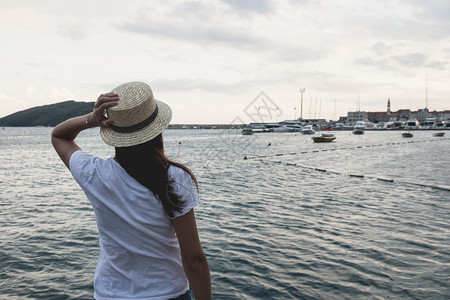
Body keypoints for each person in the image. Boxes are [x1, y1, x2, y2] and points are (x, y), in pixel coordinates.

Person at [51, 81, 211, 300]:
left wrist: (91, 119)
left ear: (114, 132)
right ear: (157, 129)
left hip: (111, 294)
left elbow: (59, 135)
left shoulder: (94, 173)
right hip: (167, 293)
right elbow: (194, 259)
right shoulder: (174, 177)